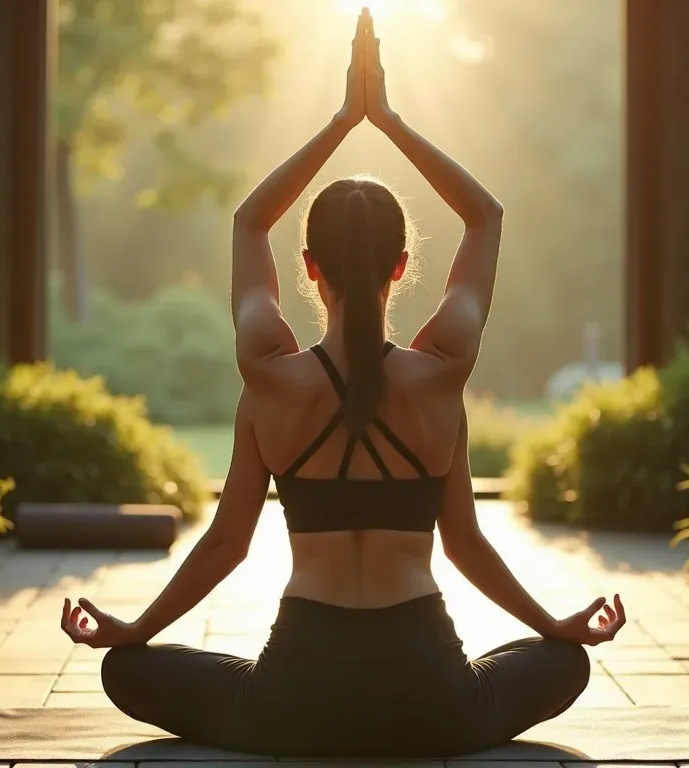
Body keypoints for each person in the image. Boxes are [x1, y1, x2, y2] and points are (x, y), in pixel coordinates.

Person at [60, 8, 626, 758]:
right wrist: (384, 121)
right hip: (432, 701)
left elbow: (228, 540)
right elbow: (484, 219)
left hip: (296, 699)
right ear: (400, 266)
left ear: (308, 267)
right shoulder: (443, 374)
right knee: (565, 664)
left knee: (129, 673)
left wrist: (340, 121)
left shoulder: (267, 378)